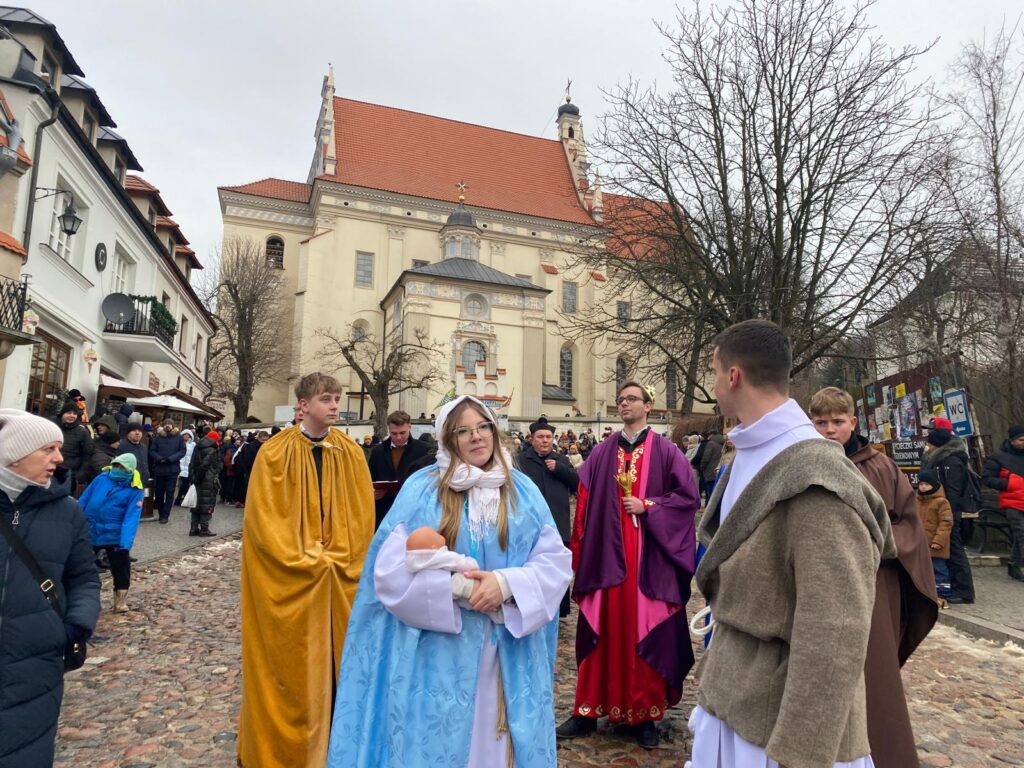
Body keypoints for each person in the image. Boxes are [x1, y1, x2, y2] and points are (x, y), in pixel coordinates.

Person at [688, 320, 894, 768]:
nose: (713, 383)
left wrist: (802, 752)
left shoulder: (817, 476)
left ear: (735, 376)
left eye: (714, 371)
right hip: (731, 699)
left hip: (777, 728)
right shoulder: (750, 452)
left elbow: (835, 629)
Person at [326, 395, 572, 767]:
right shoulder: (423, 490)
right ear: (448, 439)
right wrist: (460, 589)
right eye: (464, 431)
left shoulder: (522, 491)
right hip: (439, 657)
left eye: (483, 427)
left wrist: (505, 585)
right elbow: (390, 572)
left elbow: (554, 562)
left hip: (509, 653)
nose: (477, 438)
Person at [237, 373, 375, 767]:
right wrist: (309, 560)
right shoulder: (274, 453)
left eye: (337, 399)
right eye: (327, 399)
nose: (335, 405)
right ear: (304, 405)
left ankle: (340, 748)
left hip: (342, 580)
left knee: (343, 666)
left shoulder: (349, 452)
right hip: (294, 581)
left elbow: (362, 519)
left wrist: (344, 559)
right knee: (293, 671)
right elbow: (266, 525)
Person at [560, 381, 699, 750]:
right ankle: (587, 710)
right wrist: (581, 550)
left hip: (648, 564)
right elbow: (584, 500)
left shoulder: (668, 452)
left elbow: (687, 499)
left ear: (648, 406)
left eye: (631, 399)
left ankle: (645, 714)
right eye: (621, 399)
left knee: (644, 628)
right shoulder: (603, 451)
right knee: (600, 627)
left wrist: (649, 506)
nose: (624, 403)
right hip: (607, 559)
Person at [810, 386, 937, 768]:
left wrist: (874, 541)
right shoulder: (803, 463)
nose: (830, 430)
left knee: (873, 677)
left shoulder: (881, 468)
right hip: (819, 585)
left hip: (872, 586)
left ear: (853, 422)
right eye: (821, 423)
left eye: (837, 422)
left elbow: (909, 525)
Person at [0, 409, 100, 766]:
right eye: (48, 449)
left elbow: (85, 577)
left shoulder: (69, 511)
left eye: (59, 448)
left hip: (37, 664)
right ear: (13, 452)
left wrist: (76, 625)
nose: (59, 458)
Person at [516, 416, 579, 618]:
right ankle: (531, 606)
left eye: (548, 437)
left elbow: (577, 484)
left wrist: (559, 469)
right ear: (532, 439)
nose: (544, 440)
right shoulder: (520, 461)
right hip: (528, 523)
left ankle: (559, 609)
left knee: (557, 567)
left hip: (557, 522)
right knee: (530, 565)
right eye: (540, 437)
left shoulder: (561, 459)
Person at [78, 452, 144, 612]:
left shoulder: (135, 489)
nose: (118, 469)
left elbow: (131, 518)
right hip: (91, 529)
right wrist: (76, 523)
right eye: (116, 465)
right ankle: (84, 600)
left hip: (114, 534)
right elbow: (84, 500)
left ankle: (119, 601)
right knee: (81, 566)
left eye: (122, 467)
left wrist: (125, 543)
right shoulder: (102, 478)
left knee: (121, 567)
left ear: (130, 470)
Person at [920, 419, 976, 603]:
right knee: (948, 550)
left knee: (955, 550)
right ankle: (951, 586)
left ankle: (964, 591)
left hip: (950, 512)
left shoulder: (950, 460)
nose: (927, 445)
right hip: (941, 511)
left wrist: (946, 512)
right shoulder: (936, 458)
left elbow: (953, 489)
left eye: (930, 441)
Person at [367, 410, 431, 529]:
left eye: (402, 432)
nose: (399, 437)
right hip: (384, 511)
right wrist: (373, 493)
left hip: (413, 511)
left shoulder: (424, 450)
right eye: (394, 433)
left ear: (410, 427)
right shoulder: (378, 451)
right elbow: (369, 479)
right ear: (389, 430)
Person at [982, 425, 1024, 582]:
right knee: (1022, 534)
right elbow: (987, 478)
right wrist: (1009, 484)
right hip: (1012, 502)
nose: (1023, 442)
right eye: (1021, 440)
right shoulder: (998, 457)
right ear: (1012, 440)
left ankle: (1014, 563)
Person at [917, 468, 954, 599]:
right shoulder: (917, 501)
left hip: (935, 543)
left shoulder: (941, 502)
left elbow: (946, 523)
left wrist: (939, 541)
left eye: (926, 484)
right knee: (923, 568)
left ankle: (943, 593)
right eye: (921, 484)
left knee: (939, 568)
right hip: (921, 543)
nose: (923, 487)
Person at [148, 421, 186, 524]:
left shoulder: (179, 438)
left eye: (169, 424)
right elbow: (152, 451)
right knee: (159, 493)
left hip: (172, 469)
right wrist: (159, 458)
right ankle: (161, 513)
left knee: (170, 493)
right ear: (163, 426)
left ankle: (165, 515)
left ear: (173, 426)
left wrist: (170, 459)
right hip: (160, 469)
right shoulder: (158, 438)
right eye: (165, 424)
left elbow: (182, 451)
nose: (167, 425)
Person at [187, 430, 221, 537]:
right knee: (207, 504)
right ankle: (204, 530)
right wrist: (198, 478)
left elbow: (192, 463)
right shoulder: (212, 450)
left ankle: (193, 528)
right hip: (207, 480)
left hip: (196, 479)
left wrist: (193, 478)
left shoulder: (198, 446)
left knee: (196, 504)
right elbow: (205, 466)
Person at [55, 401, 94, 496]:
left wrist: (80, 475)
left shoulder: (83, 432)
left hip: (70, 474)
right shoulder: (54, 428)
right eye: (69, 413)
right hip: (51, 471)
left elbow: (88, 455)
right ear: (62, 414)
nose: (72, 416)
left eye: (74, 413)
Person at [175, 429, 196, 506]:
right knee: (178, 484)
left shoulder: (193, 445)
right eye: (185, 435)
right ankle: (179, 498)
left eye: (188, 435)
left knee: (185, 484)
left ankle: (181, 498)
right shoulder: (178, 444)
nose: (186, 436)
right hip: (179, 466)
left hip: (188, 466)